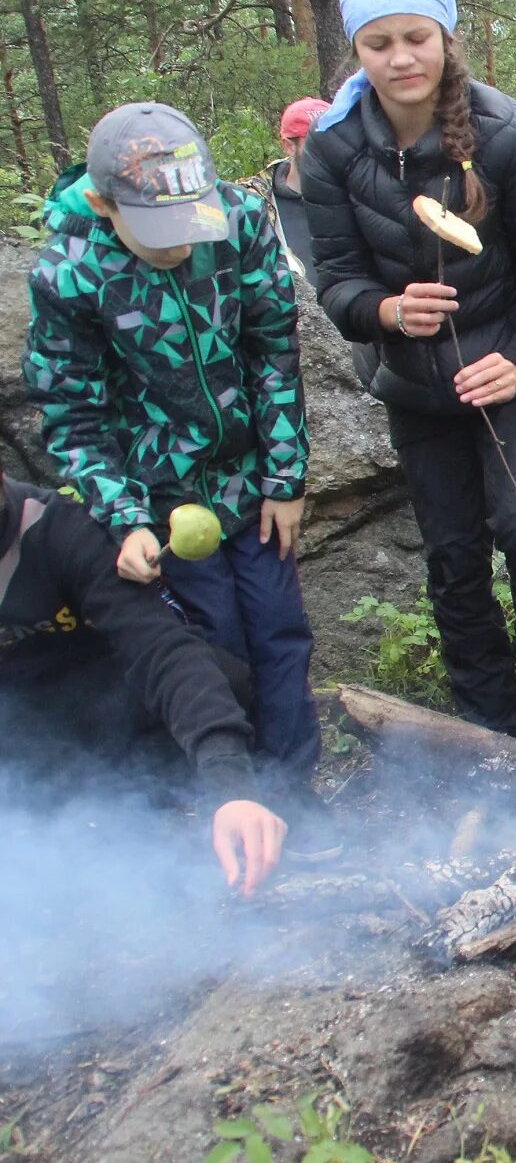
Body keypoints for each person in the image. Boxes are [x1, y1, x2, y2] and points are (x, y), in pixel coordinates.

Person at [299, 0, 516, 765]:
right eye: (379, 43)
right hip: (414, 387)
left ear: (446, 38)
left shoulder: (507, 134)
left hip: (509, 377)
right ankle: (487, 725)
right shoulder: (331, 150)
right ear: (356, 51)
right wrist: (388, 310)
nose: (400, 58)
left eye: (416, 37)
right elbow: (336, 286)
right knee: (455, 554)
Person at [24, 101, 320, 783]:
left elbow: (273, 350)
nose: (182, 244)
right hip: (161, 500)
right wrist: (123, 519)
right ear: (104, 204)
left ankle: (295, 791)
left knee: (280, 630)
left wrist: (285, 477)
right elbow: (72, 413)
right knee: (212, 644)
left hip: (251, 483)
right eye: (161, 233)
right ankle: (231, 793)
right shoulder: (70, 273)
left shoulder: (238, 221)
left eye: (192, 222)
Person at [0, 454, 292, 895]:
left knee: (222, 678)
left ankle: (128, 821)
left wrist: (232, 787)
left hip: (87, 706)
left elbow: (164, 649)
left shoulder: (53, 528)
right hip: (14, 739)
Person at [242, 97, 332, 282]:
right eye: (316, 143)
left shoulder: (359, 194)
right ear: (289, 146)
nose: (330, 151)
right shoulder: (252, 205)